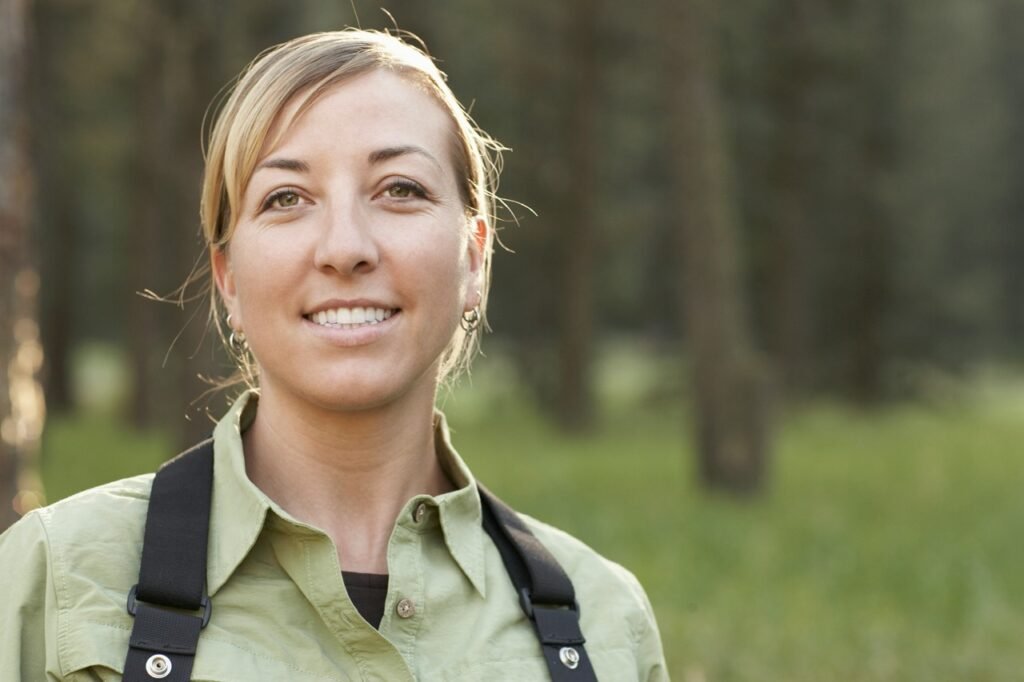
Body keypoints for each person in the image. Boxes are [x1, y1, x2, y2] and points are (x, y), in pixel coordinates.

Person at [0, 29, 668, 681]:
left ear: (474, 259)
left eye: (399, 189)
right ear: (229, 278)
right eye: (286, 198)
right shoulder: (52, 582)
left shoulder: (603, 625)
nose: (345, 247)